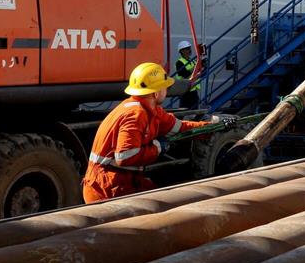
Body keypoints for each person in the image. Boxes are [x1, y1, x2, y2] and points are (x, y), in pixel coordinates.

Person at [82, 62, 217, 203]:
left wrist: (212, 127)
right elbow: (125, 156)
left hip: (120, 181)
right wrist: (158, 148)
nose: (167, 90)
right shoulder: (136, 114)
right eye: (165, 87)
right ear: (155, 93)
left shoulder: (149, 109)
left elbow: (179, 127)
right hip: (107, 188)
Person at [172, 40, 202, 109]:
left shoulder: (193, 61)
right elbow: (185, 74)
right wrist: (196, 68)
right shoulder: (179, 63)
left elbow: (199, 72)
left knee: (195, 109)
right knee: (184, 110)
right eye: (187, 49)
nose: (189, 50)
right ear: (182, 51)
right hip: (185, 90)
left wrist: (202, 67)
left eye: (189, 48)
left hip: (193, 90)